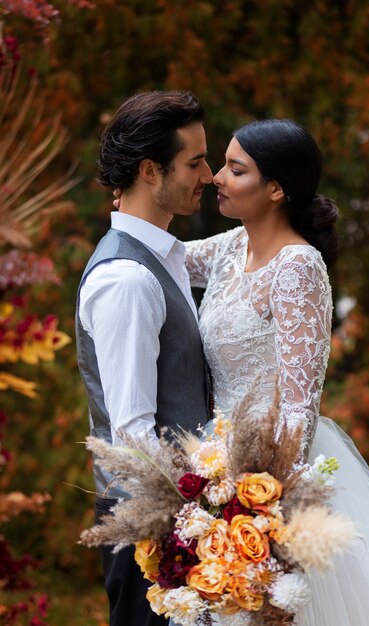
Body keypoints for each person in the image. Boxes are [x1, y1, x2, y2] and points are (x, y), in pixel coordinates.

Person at [183, 118, 369, 625]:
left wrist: (263, 505)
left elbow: (298, 404)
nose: (217, 178)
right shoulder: (229, 247)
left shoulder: (298, 268)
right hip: (216, 469)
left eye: (234, 169)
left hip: (275, 476)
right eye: (220, 164)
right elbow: (162, 260)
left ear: (275, 189)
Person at [75, 90, 213, 626]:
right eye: (195, 162)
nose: (208, 176)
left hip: (177, 519)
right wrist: (190, 529)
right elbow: (133, 433)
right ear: (151, 171)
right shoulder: (127, 278)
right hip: (151, 528)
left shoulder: (163, 256)